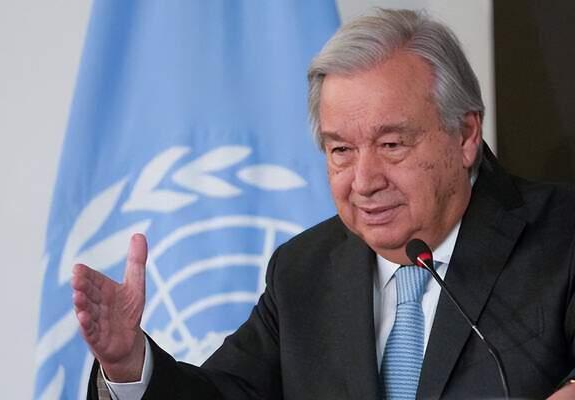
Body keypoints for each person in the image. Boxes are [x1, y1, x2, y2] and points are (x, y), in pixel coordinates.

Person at [72, 9, 575, 399]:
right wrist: (130, 364)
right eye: (341, 151)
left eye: (392, 144)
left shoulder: (562, 235)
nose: (365, 181)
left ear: (464, 136)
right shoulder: (302, 272)